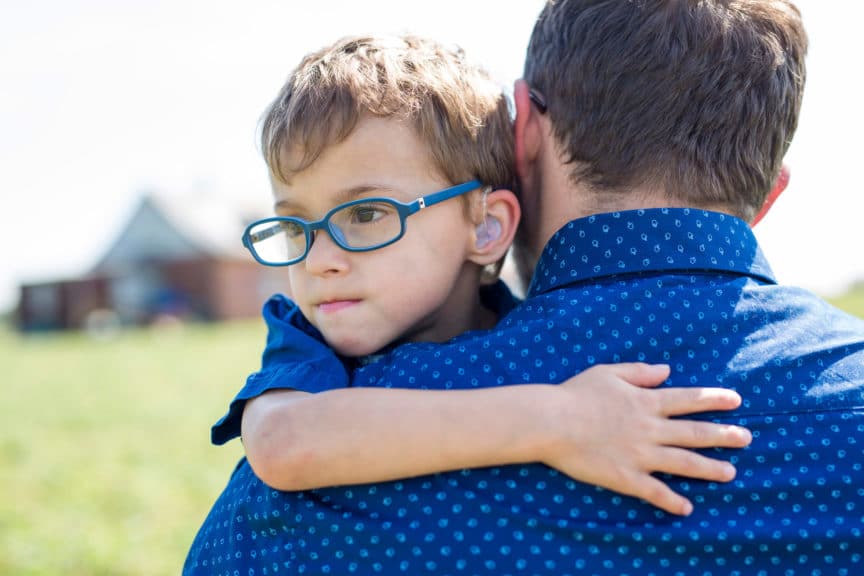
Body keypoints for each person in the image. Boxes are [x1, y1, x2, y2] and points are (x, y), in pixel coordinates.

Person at [195, 0, 864, 571]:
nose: (321, 260)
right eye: (296, 227)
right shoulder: (319, 379)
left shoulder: (282, 511)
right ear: (769, 193)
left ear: (525, 132)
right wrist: (556, 420)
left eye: (367, 215)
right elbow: (285, 439)